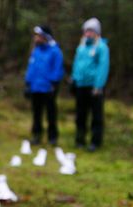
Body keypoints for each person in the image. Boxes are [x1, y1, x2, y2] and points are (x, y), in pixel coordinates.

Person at [71, 17, 109, 151]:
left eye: (91, 31)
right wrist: (74, 80)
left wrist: (98, 86)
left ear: (96, 32)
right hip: (81, 85)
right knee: (80, 114)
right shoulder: (81, 47)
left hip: (94, 87)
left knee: (96, 116)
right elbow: (76, 65)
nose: (88, 33)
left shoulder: (101, 47)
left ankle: (95, 142)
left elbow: (103, 67)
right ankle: (80, 139)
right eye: (86, 31)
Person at [24, 25, 64, 146]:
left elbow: (57, 69)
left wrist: (54, 83)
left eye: (38, 36)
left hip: (48, 88)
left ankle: (52, 137)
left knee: (51, 113)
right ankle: (36, 135)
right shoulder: (36, 51)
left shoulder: (55, 51)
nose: (36, 38)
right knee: (36, 113)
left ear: (45, 37)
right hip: (35, 87)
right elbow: (31, 68)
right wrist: (28, 83)